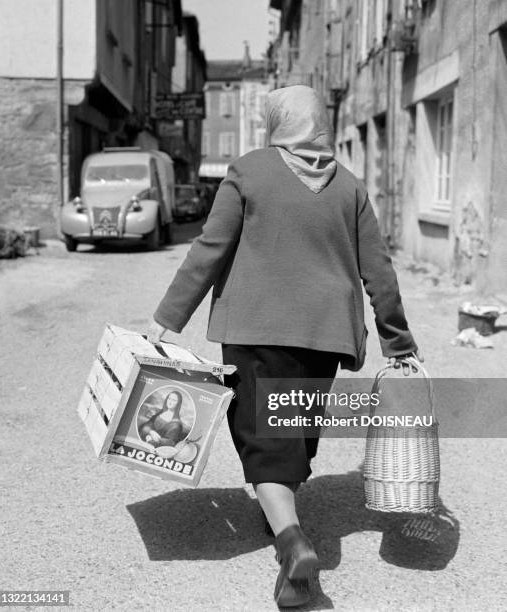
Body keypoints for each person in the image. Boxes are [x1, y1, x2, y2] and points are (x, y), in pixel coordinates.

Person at [147, 85, 420, 607]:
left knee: (260, 440)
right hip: (326, 332)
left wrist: (168, 318)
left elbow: (210, 247)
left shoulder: (249, 170)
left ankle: (293, 545)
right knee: (295, 431)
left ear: (277, 122)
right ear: (320, 123)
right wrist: (397, 340)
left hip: (255, 327)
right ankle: (282, 523)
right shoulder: (351, 186)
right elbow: (378, 270)